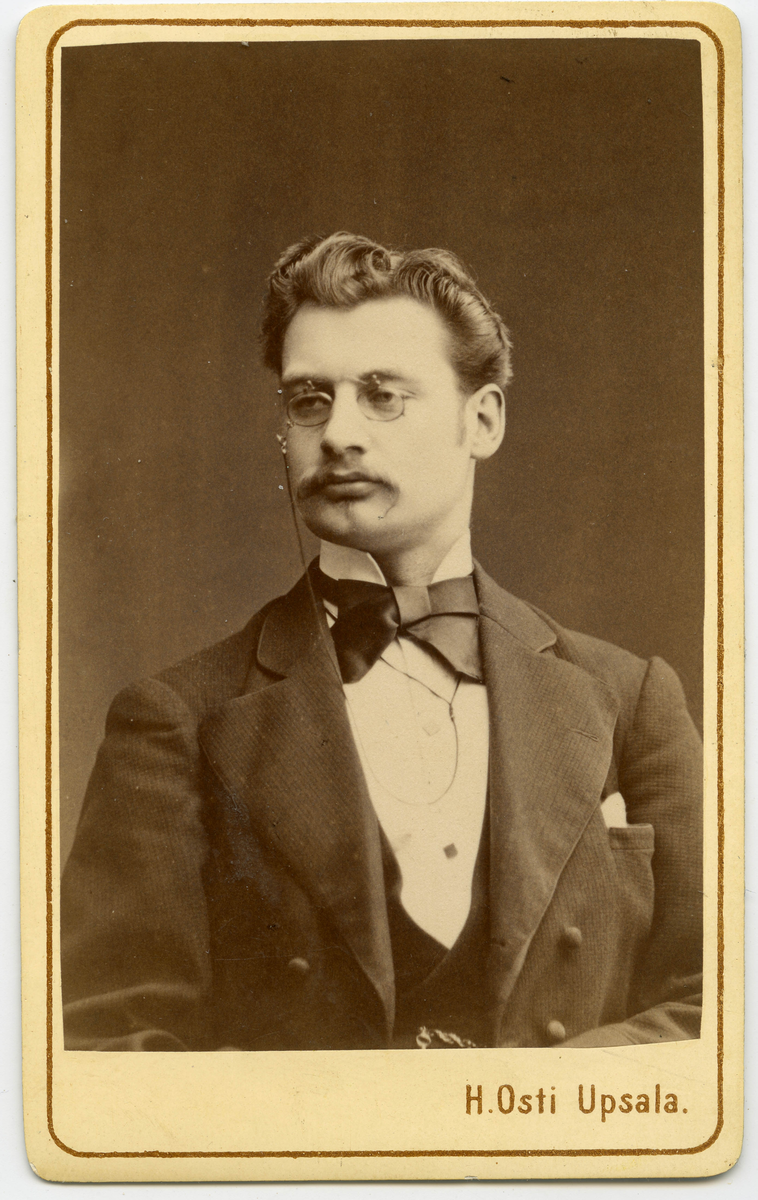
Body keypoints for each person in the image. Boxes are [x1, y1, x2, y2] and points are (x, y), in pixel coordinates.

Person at [61, 232, 703, 1051]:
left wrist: (510, 1104)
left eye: (383, 396)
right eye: (308, 400)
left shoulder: (630, 702)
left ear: (483, 420)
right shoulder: (176, 720)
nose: (338, 433)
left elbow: (720, 1011)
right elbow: (110, 1051)